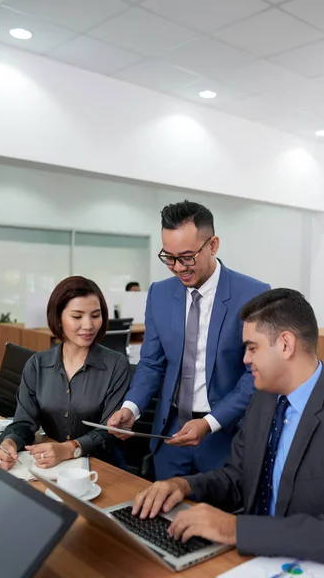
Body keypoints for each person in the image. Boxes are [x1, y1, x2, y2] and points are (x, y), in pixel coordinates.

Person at [131, 288, 324, 574]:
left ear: (286, 344)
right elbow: (239, 477)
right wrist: (184, 486)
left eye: (252, 347)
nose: (245, 359)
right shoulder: (264, 399)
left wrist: (238, 530)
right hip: (253, 563)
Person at [108, 200, 270, 480]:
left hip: (226, 435)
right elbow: (151, 363)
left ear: (213, 245)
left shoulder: (253, 294)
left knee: (215, 521)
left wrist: (208, 423)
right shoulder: (159, 293)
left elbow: (255, 374)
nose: (177, 267)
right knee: (163, 518)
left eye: (186, 257)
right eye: (168, 257)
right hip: (169, 434)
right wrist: (131, 407)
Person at [0, 276, 130, 471]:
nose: (88, 325)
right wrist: (9, 444)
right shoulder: (37, 365)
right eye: (77, 316)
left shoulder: (116, 364)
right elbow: (24, 421)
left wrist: (69, 449)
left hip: (103, 467)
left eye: (95, 315)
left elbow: (109, 431)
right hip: (51, 464)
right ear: (58, 318)